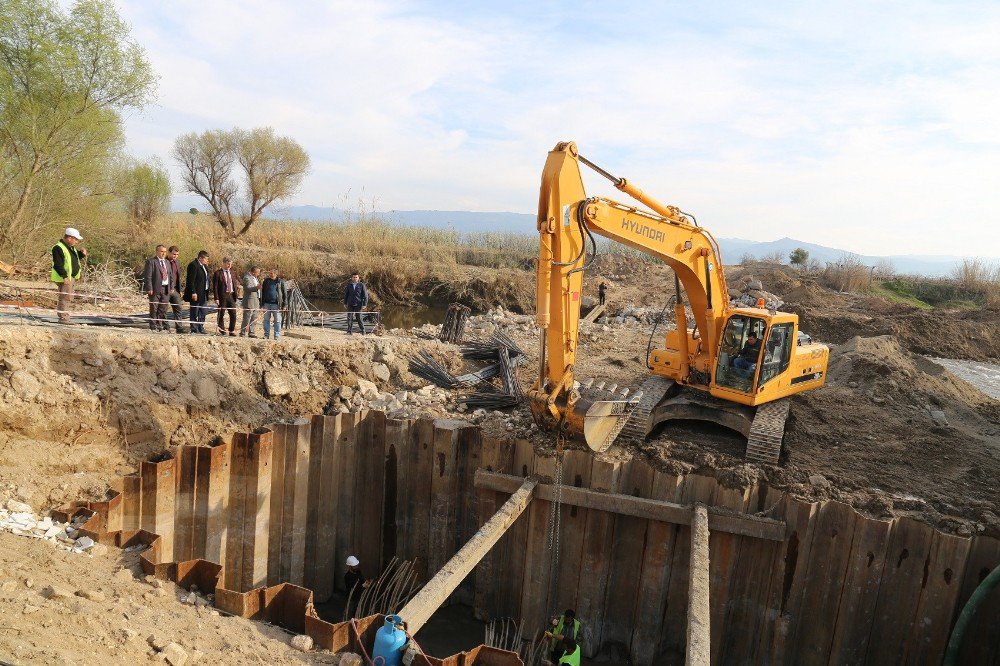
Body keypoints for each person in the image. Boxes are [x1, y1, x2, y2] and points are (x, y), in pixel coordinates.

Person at [51, 227, 87, 324]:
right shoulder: (58, 248)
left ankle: (64, 316)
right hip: (64, 277)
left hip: (70, 277)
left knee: (67, 296)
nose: (77, 242)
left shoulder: (70, 248)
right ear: (69, 238)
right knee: (65, 297)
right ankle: (63, 318)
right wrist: (64, 276)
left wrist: (81, 254)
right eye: (76, 239)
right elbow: (58, 264)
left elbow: (73, 259)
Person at [143, 245, 173, 332]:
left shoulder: (167, 262)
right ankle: (153, 326)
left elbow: (170, 276)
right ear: (157, 252)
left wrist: (171, 287)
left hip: (166, 288)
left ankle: (160, 325)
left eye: (164, 251)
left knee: (163, 308)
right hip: (155, 288)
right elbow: (148, 276)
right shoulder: (151, 261)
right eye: (161, 251)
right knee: (154, 308)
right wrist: (149, 288)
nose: (163, 253)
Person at [184, 250, 211, 334]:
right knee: (194, 311)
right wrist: (193, 292)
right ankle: (194, 328)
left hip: (204, 293)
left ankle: (201, 327)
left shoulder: (204, 266)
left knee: (203, 311)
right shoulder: (193, 265)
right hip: (196, 293)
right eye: (206, 259)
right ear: (200, 258)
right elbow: (190, 281)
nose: (207, 261)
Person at [213, 257, 238, 336]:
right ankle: (222, 329)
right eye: (228, 264)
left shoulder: (233, 273)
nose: (229, 265)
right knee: (221, 313)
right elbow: (215, 287)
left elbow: (235, 284)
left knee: (233, 313)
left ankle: (231, 330)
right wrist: (216, 298)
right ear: (223, 263)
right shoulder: (218, 273)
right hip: (222, 296)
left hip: (231, 295)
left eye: (230, 264)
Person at [166, 246, 187, 333]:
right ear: (169, 252)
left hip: (175, 290)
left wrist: (180, 290)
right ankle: (165, 327)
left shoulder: (177, 262)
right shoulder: (164, 261)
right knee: (163, 309)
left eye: (177, 254)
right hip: (165, 289)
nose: (175, 256)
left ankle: (179, 328)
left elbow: (179, 277)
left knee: (178, 308)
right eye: (174, 254)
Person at [261, 268, 285, 341]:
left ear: (275, 274)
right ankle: (266, 335)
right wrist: (262, 303)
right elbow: (263, 292)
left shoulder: (280, 282)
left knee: (277, 321)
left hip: (276, 304)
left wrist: (284, 305)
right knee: (266, 320)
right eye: (270, 273)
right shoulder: (266, 281)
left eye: (272, 273)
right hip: (267, 304)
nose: (270, 274)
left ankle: (277, 336)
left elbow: (285, 294)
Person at [240, 266, 262, 337]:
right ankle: (242, 333)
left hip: (256, 301)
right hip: (249, 301)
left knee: (254, 317)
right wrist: (257, 287)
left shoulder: (255, 278)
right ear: (253, 272)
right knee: (247, 317)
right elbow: (247, 288)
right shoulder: (247, 278)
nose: (259, 274)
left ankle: (251, 332)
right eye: (258, 272)